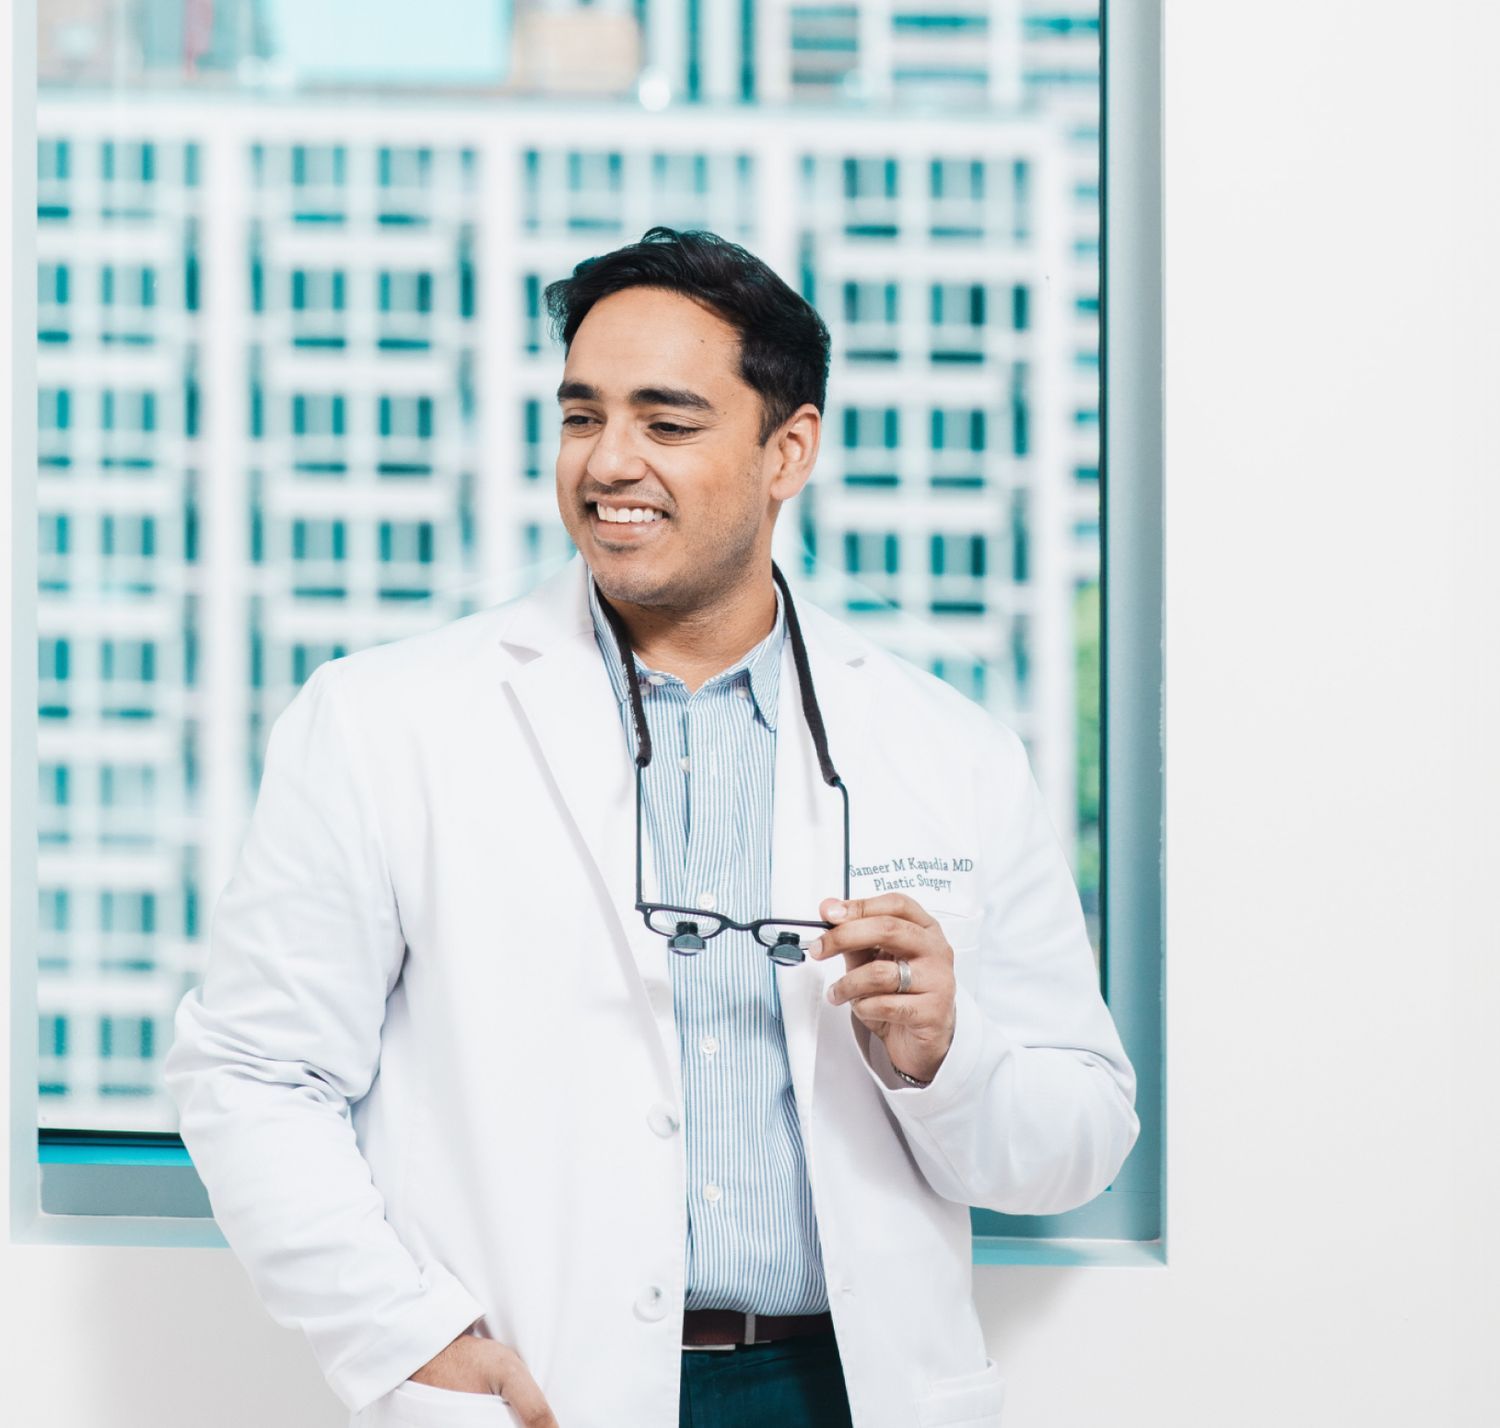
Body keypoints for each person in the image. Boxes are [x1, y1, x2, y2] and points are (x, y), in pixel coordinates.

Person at [163, 226, 1139, 1428]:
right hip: (543, 1388)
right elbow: (253, 1075)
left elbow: (1080, 1135)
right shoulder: (381, 723)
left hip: (847, 1387)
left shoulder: (951, 753)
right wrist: (401, 1337)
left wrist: (948, 1051)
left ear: (790, 451)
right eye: (583, 417)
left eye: (667, 424)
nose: (609, 462)